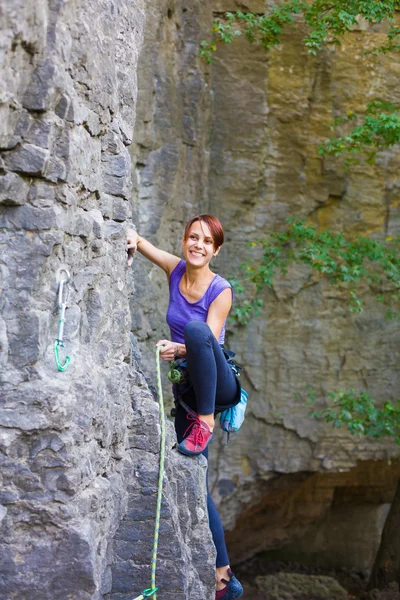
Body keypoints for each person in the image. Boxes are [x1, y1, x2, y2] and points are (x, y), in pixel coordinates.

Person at [127, 215, 244, 600]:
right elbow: (146, 247)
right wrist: (130, 238)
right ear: (184, 240)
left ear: (216, 250)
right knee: (195, 480)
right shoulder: (176, 270)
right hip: (188, 394)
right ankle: (223, 575)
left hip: (217, 384)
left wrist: (175, 348)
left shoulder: (220, 289)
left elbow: (205, 341)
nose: (198, 245)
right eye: (193, 237)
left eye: (207, 241)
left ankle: (206, 423)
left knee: (194, 331)